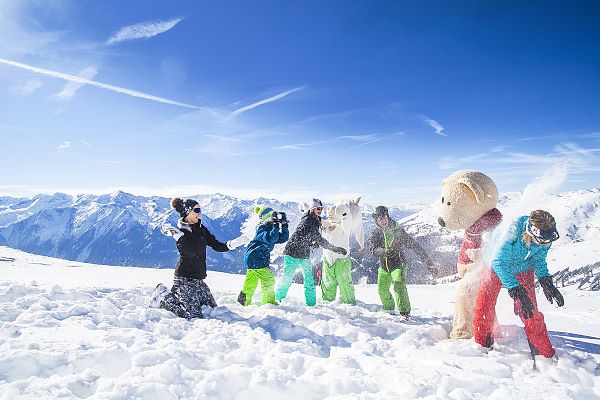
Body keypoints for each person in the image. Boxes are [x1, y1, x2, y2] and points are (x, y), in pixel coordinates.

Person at [474, 210, 564, 358]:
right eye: (542, 240)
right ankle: (482, 344)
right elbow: (499, 263)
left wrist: (546, 281)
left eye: (548, 240)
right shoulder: (511, 232)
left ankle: (543, 352)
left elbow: (539, 259)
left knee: (530, 310)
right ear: (531, 232)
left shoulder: (545, 237)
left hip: (523, 268)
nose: (546, 243)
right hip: (494, 266)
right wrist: (516, 290)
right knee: (485, 304)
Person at [151, 197, 239, 319]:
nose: (200, 213)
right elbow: (190, 252)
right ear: (188, 212)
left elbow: (215, 244)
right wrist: (178, 237)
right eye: (196, 210)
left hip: (199, 280)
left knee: (213, 309)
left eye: (200, 209)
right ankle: (163, 297)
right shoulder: (181, 233)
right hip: (184, 279)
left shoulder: (201, 229)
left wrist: (232, 244)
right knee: (192, 315)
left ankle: (178, 296)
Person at [275, 198, 347, 306]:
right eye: (318, 208)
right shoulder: (309, 220)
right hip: (292, 253)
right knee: (287, 279)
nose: (320, 210)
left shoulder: (314, 219)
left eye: (321, 209)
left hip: (304, 254)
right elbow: (318, 238)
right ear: (313, 209)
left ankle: (311, 304)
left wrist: (312, 242)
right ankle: (278, 300)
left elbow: (307, 235)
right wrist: (335, 248)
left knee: (309, 280)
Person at [369, 205, 437, 317]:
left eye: (385, 216)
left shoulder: (398, 231)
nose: (383, 220)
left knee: (399, 285)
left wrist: (429, 264)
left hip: (398, 264)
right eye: (380, 218)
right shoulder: (376, 233)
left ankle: (405, 314)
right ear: (376, 220)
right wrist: (383, 251)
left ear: (388, 216)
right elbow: (373, 249)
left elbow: (415, 246)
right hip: (384, 267)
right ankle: (389, 310)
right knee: (382, 291)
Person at [237, 206, 289, 306]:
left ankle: (243, 301)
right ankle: (268, 304)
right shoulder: (262, 227)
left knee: (251, 281)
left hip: (254, 256)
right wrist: (276, 225)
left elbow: (283, 238)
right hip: (256, 257)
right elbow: (271, 238)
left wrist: (284, 225)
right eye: (271, 216)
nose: (274, 217)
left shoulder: (271, 227)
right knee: (269, 280)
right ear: (266, 218)